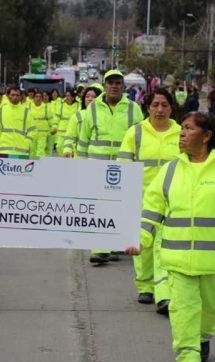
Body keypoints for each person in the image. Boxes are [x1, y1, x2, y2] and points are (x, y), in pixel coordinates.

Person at [126, 111, 215, 362]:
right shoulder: (170, 170)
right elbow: (151, 210)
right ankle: (188, 359)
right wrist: (140, 240)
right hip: (176, 258)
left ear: (207, 136)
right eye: (181, 128)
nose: (182, 134)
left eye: (188, 129)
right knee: (184, 310)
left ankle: (203, 337)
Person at [118, 88, 181, 314]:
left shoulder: (181, 134)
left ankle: (164, 294)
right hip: (142, 199)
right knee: (143, 245)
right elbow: (124, 165)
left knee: (164, 246)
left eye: (165, 104)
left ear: (172, 108)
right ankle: (145, 286)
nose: (160, 109)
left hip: (174, 201)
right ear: (148, 108)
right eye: (155, 104)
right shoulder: (135, 133)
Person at [77, 69, 144, 264]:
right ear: (105, 85)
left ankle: (117, 242)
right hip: (97, 167)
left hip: (124, 168)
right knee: (100, 207)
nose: (114, 86)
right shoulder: (93, 109)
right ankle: (100, 248)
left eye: (117, 83)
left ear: (123, 86)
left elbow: (141, 139)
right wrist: (81, 169)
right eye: (110, 82)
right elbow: (84, 140)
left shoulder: (134, 109)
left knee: (123, 206)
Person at [0, 86, 35, 156]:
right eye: (12, 95)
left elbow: (32, 130)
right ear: (8, 96)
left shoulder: (27, 111)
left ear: (21, 96)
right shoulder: (0, 110)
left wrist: (27, 143)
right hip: (4, 150)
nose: (15, 97)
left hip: (22, 150)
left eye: (17, 95)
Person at [63, 86, 102, 158]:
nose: (90, 99)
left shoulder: (104, 115)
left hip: (97, 156)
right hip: (79, 157)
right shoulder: (77, 116)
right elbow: (70, 136)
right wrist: (67, 150)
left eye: (94, 97)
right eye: (87, 97)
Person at [52, 88, 79, 156]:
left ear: (73, 97)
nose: (67, 97)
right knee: (59, 147)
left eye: (69, 95)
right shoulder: (61, 105)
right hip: (61, 132)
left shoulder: (78, 105)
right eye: (66, 95)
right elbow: (56, 117)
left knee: (72, 149)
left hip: (73, 132)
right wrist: (54, 127)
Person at [28, 91, 54, 157]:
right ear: (33, 98)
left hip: (43, 135)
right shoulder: (29, 107)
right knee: (32, 151)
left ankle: (39, 166)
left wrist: (53, 128)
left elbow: (51, 120)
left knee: (40, 151)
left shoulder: (46, 107)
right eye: (36, 97)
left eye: (40, 97)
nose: (38, 98)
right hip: (32, 134)